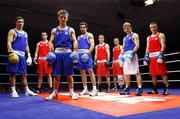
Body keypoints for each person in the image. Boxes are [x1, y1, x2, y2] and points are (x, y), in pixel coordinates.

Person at [46, 10, 79, 100]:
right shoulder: (54, 30)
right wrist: (50, 51)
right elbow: (51, 41)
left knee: (69, 75)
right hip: (57, 53)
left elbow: (75, 40)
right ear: (58, 18)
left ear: (67, 18)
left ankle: (71, 92)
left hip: (68, 53)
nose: (63, 19)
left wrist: (75, 50)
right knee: (56, 75)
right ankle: (54, 93)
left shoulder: (70, 29)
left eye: (65, 17)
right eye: (61, 17)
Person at [7, 16, 37, 98]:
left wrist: (29, 56)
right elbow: (9, 42)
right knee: (13, 73)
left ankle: (27, 91)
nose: (20, 23)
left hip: (23, 55)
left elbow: (26, 45)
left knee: (24, 74)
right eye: (19, 22)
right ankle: (13, 91)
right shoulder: (12, 31)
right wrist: (10, 52)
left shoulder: (25, 33)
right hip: (15, 54)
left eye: (22, 22)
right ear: (16, 22)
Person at [143, 22, 169, 95]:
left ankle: (166, 89)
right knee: (153, 74)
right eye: (151, 27)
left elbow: (163, 45)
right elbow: (147, 48)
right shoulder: (148, 37)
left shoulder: (160, 35)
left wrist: (161, 54)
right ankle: (154, 90)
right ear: (150, 28)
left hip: (158, 56)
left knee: (163, 73)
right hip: (151, 58)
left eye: (154, 27)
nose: (153, 28)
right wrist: (146, 55)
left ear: (157, 27)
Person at [119, 22, 143, 96]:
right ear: (124, 30)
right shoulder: (124, 38)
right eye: (125, 28)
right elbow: (123, 47)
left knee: (136, 72)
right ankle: (127, 88)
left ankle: (139, 88)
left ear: (131, 28)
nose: (127, 29)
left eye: (128, 27)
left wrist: (132, 53)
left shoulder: (134, 35)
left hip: (132, 54)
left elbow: (137, 45)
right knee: (126, 73)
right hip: (126, 55)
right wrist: (121, 54)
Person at [77, 22, 98, 96]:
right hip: (79, 54)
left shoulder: (89, 35)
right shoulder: (79, 37)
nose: (82, 28)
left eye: (83, 27)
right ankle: (85, 89)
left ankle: (95, 89)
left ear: (86, 28)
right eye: (81, 27)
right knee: (82, 72)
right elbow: (77, 47)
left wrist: (88, 53)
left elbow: (92, 45)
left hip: (87, 54)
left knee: (90, 71)